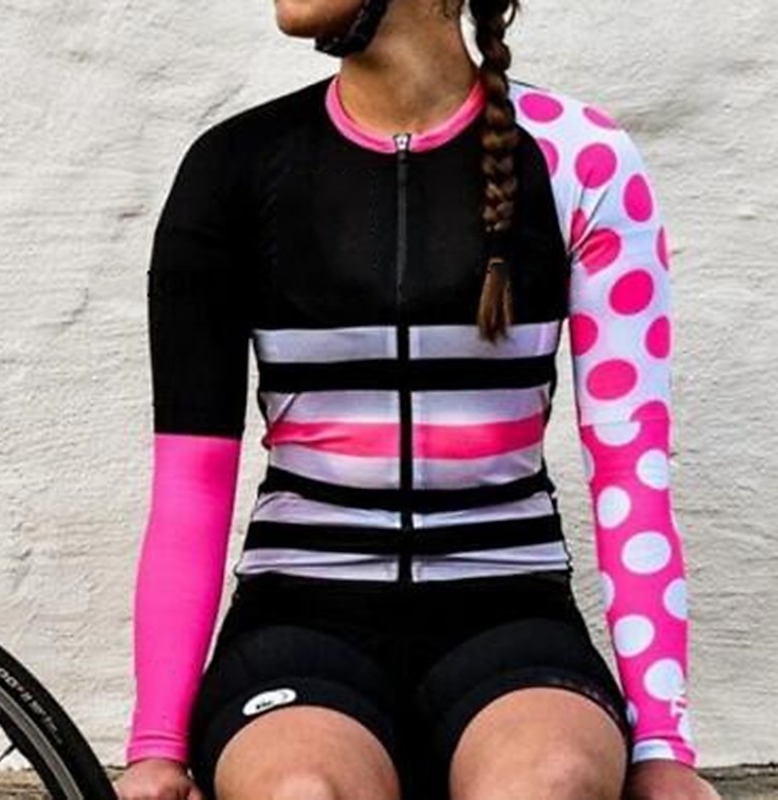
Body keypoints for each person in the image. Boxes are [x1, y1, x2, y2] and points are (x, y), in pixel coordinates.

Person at [113, 1, 723, 799]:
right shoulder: (234, 166)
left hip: (509, 615)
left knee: (552, 782)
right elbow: (192, 481)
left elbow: (630, 468)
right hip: (299, 620)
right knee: (302, 794)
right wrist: (157, 746)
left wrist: (664, 746)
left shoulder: (581, 158)